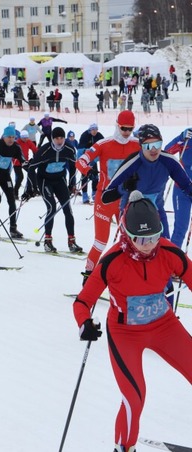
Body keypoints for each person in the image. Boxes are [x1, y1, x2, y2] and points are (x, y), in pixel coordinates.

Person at [72, 190, 192, 452]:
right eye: (141, 238)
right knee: (134, 398)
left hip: (164, 326)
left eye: (154, 236)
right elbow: (82, 302)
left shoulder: (168, 251)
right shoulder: (113, 260)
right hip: (125, 332)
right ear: (126, 233)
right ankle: (124, 448)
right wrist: (85, 324)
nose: (149, 244)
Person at [76, 112, 140, 282]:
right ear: (117, 126)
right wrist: (88, 171)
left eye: (130, 129)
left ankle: (125, 275)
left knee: (129, 241)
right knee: (100, 242)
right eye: (123, 128)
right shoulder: (104, 144)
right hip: (104, 199)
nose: (126, 132)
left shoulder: (137, 144)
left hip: (125, 200)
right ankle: (89, 275)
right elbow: (80, 161)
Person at [102, 124, 192, 244]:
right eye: (148, 146)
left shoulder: (169, 161)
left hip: (157, 211)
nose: (154, 149)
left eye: (157, 144)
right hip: (132, 213)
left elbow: (187, 186)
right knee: (135, 254)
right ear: (141, 146)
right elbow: (105, 197)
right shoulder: (132, 164)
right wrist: (124, 187)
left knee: (165, 250)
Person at [29, 127, 82, 253]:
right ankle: (48, 241)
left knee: (67, 209)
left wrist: (71, 184)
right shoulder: (45, 150)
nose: (59, 141)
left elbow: (73, 167)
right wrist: (33, 187)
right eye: (56, 138)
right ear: (52, 139)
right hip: (45, 181)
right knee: (52, 207)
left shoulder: (69, 149)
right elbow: (31, 167)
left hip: (59, 180)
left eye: (61, 138)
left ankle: (72, 241)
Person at [164, 127, 192, 248]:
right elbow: (167, 152)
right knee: (180, 228)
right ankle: (174, 259)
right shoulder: (187, 137)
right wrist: (181, 137)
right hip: (182, 190)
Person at [77, 123, 106, 205]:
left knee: (95, 177)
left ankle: (94, 194)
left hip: (94, 160)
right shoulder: (84, 135)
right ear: (90, 130)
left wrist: (96, 158)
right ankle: (85, 195)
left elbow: (103, 148)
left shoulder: (99, 136)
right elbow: (80, 150)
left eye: (96, 129)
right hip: (85, 160)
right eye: (93, 129)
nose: (94, 131)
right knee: (84, 177)